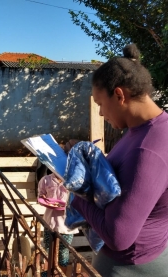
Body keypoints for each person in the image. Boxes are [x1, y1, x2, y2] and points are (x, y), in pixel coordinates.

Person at [68, 44, 168, 276]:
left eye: (100, 103)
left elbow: (118, 236)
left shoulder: (148, 149)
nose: (101, 113)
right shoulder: (142, 130)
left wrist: (76, 193)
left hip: (131, 265)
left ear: (119, 95)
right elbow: (130, 178)